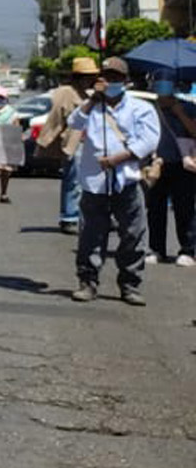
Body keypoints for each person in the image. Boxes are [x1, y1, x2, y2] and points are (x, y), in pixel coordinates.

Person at [66, 56, 160, 304]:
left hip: (127, 180)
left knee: (133, 233)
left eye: (115, 78)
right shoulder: (92, 107)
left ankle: (130, 284)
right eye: (106, 77)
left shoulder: (141, 108)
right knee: (90, 234)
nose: (110, 82)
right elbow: (73, 122)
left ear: (125, 81)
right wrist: (91, 100)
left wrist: (120, 158)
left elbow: (149, 140)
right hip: (94, 182)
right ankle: (88, 281)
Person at [41, 57, 98, 234]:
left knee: (88, 182)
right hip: (75, 143)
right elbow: (56, 117)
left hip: (91, 144)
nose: (89, 79)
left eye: (91, 76)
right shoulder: (66, 93)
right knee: (73, 181)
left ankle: (85, 216)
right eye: (85, 76)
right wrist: (48, 139)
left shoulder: (88, 95)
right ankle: (69, 217)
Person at [143, 76, 196, 266]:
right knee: (155, 209)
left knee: (185, 209)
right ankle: (156, 249)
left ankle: (188, 250)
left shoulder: (188, 107)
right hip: (157, 164)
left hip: (183, 164)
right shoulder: (149, 108)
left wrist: (179, 113)